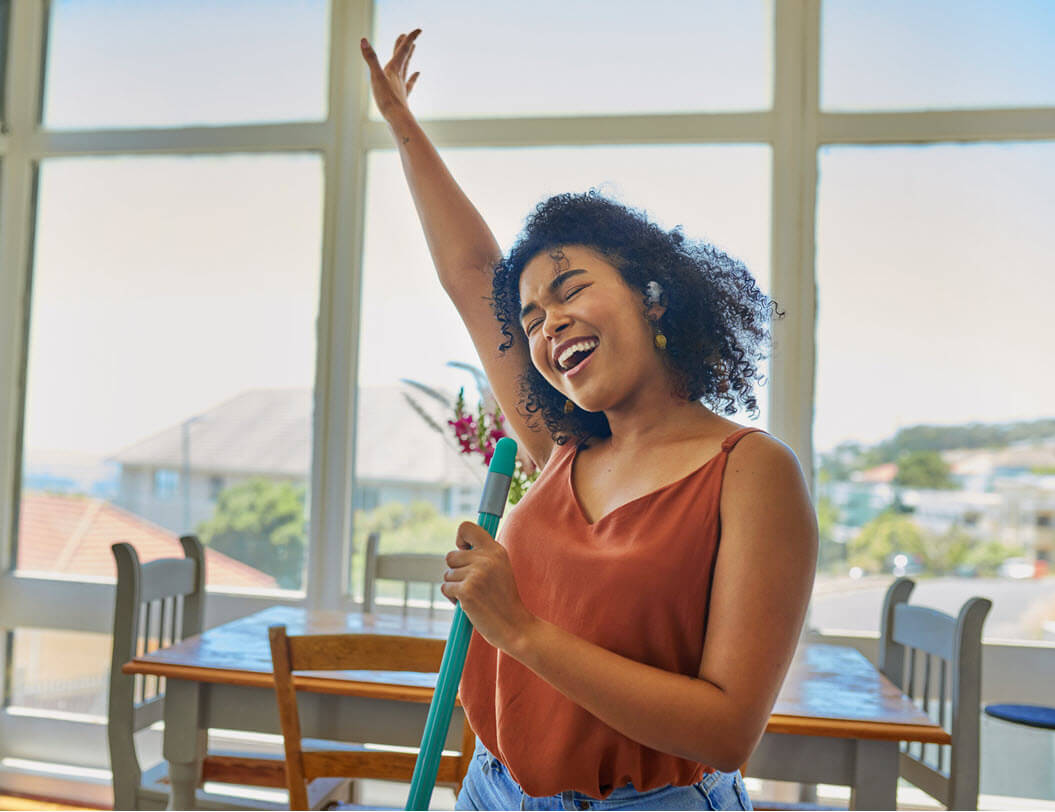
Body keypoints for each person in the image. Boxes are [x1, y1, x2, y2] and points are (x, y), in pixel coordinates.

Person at [361, 29, 818, 812]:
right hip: (491, 792)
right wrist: (401, 125)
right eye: (531, 316)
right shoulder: (564, 448)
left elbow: (725, 731)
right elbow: (472, 274)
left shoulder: (750, 470)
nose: (545, 324)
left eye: (570, 289)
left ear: (652, 293)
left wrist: (518, 630)